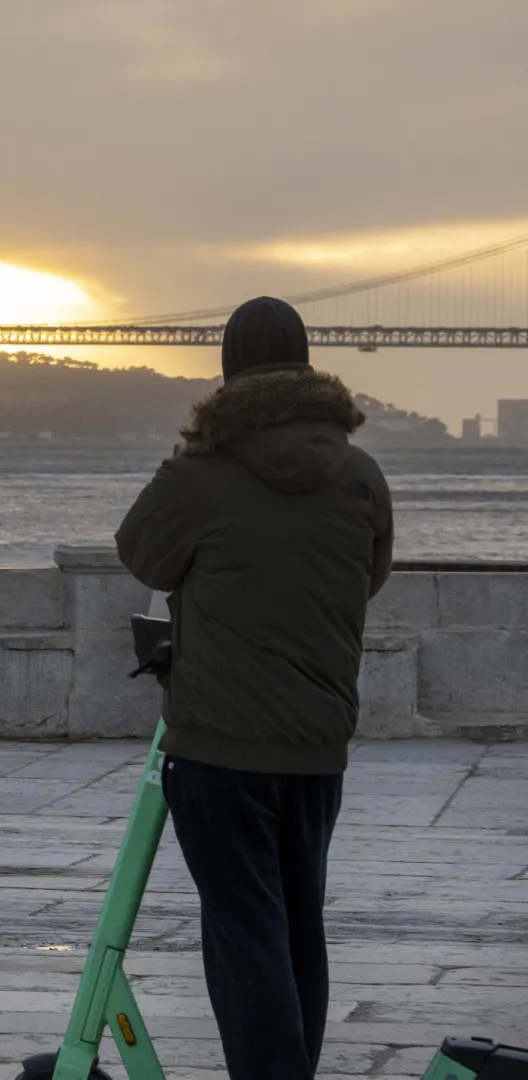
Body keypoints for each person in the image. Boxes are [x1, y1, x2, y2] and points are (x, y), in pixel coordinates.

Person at [115, 297, 393, 1080]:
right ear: (308, 365)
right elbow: (364, 581)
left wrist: (191, 460)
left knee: (246, 939)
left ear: (227, 371)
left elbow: (142, 558)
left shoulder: (200, 474)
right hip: (318, 746)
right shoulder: (362, 475)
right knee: (300, 929)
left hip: (219, 748)